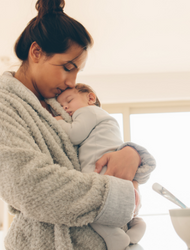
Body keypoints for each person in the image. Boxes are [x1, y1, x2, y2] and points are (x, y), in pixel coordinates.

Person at [0, 0, 156, 249]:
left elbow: (98, 140)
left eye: (77, 71)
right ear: (36, 52)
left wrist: (131, 153)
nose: (72, 82)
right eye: (68, 68)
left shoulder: (57, 104)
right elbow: (28, 186)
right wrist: (119, 196)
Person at [54, 83, 146, 250]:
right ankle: (138, 225)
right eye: (60, 106)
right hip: (125, 183)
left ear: (90, 98)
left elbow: (75, 135)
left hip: (102, 170)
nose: (65, 107)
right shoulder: (103, 119)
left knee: (92, 211)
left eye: (69, 100)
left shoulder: (89, 111)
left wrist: (57, 121)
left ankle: (115, 237)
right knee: (130, 215)